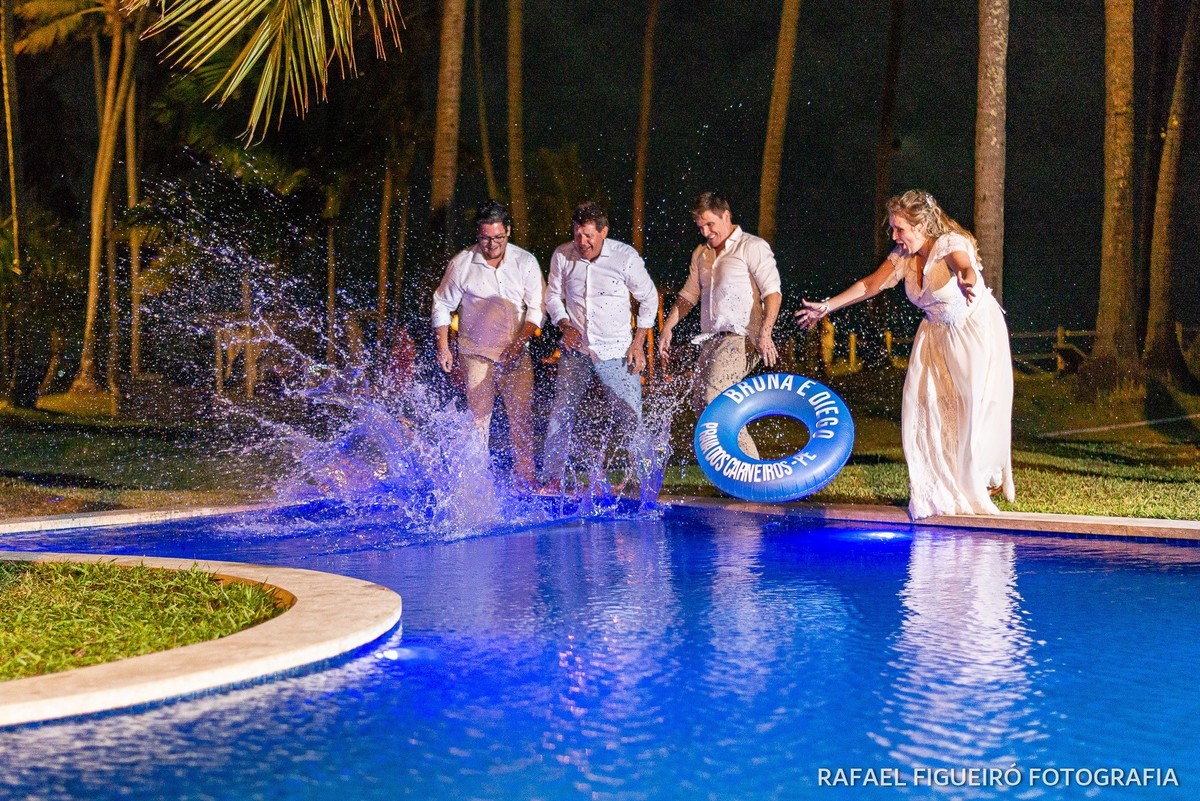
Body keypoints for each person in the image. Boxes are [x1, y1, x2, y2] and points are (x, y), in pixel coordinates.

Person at [795, 189, 1014, 519]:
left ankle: (980, 480)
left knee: (973, 411)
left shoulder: (949, 244)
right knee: (924, 409)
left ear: (922, 224)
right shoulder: (902, 256)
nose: (895, 236)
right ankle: (937, 489)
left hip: (973, 331)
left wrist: (967, 279)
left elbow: (964, 266)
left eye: (900, 229)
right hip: (935, 337)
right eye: (893, 229)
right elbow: (871, 285)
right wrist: (828, 306)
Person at [540, 201, 659, 491]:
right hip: (576, 351)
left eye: (589, 235)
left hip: (617, 350)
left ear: (603, 232)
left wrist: (638, 343)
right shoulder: (562, 256)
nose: (582, 242)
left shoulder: (624, 256)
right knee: (561, 413)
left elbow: (649, 297)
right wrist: (564, 325)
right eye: (578, 234)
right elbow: (552, 297)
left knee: (631, 416)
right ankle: (553, 479)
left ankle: (643, 482)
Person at [658, 191, 783, 459]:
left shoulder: (751, 246)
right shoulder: (701, 255)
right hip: (711, 340)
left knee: (716, 399)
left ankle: (752, 470)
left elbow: (773, 292)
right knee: (703, 408)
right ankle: (730, 472)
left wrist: (766, 334)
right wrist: (667, 328)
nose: (705, 232)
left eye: (710, 224)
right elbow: (688, 296)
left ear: (726, 216)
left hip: (741, 337)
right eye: (700, 226)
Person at [431, 200, 545, 486]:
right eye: (485, 238)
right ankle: (476, 484)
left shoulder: (525, 261)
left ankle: (525, 479)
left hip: (516, 353)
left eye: (498, 237)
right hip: (476, 355)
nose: (492, 244)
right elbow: (442, 304)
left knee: (521, 421)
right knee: (478, 422)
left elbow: (537, 308)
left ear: (508, 230)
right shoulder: (462, 264)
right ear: (477, 235)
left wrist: (519, 343)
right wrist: (443, 345)